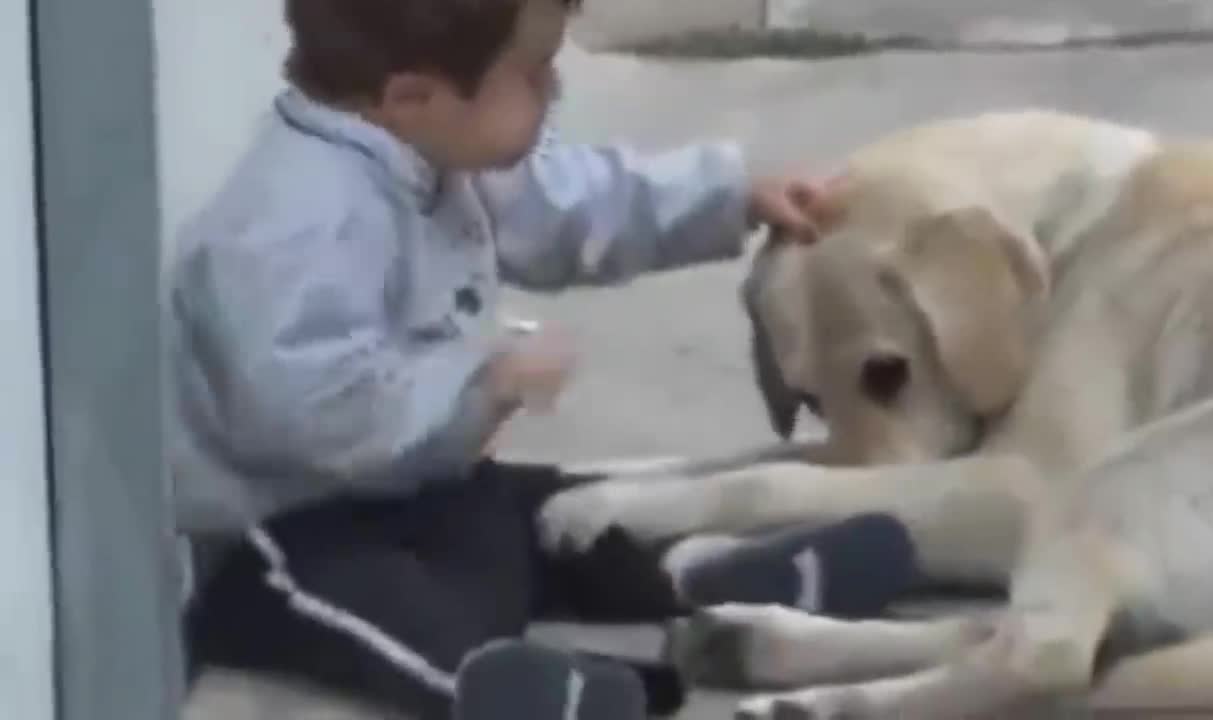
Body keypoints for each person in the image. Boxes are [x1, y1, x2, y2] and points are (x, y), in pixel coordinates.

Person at [170, 0, 920, 718]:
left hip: (422, 486)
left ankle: (706, 574)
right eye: (533, 75)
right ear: (411, 94)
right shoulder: (291, 226)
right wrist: (482, 383)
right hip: (284, 531)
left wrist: (733, 195)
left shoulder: (434, 146)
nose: (553, 89)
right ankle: (501, 691)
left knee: (556, 516)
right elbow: (309, 413)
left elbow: (569, 200)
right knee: (375, 604)